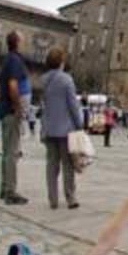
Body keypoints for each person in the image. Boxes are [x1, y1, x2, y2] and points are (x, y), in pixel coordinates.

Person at [39, 47, 83, 210]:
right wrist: (79, 125)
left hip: (49, 128)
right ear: (61, 62)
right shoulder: (67, 80)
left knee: (51, 165)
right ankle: (70, 197)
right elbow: (73, 105)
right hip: (66, 129)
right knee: (67, 165)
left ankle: (53, 199)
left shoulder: (43, 80)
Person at [0, 34, 29, 203]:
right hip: (11, 111)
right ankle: (10, 191)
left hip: (4, 110)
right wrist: (17, 107)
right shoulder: (15, 60)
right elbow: (13, 85)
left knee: (6, 151)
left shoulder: (7, 60)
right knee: (12, 152)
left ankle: (4, 188)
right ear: (17, 42)